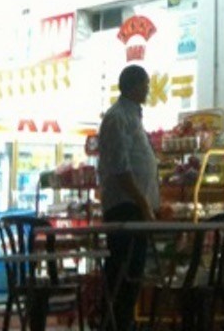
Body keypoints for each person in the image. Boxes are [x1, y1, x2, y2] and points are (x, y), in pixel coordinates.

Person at [98, 65, 160, 331]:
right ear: (134, 86)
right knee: (122, 270)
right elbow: (121, 168)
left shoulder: (133, 117)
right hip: (125, 207)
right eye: (145, 84)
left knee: (133, 271)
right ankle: (115, 323)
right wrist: (143, 202)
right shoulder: (118, 118)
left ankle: (124, 322)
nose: (147, 89)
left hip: (135, 205)